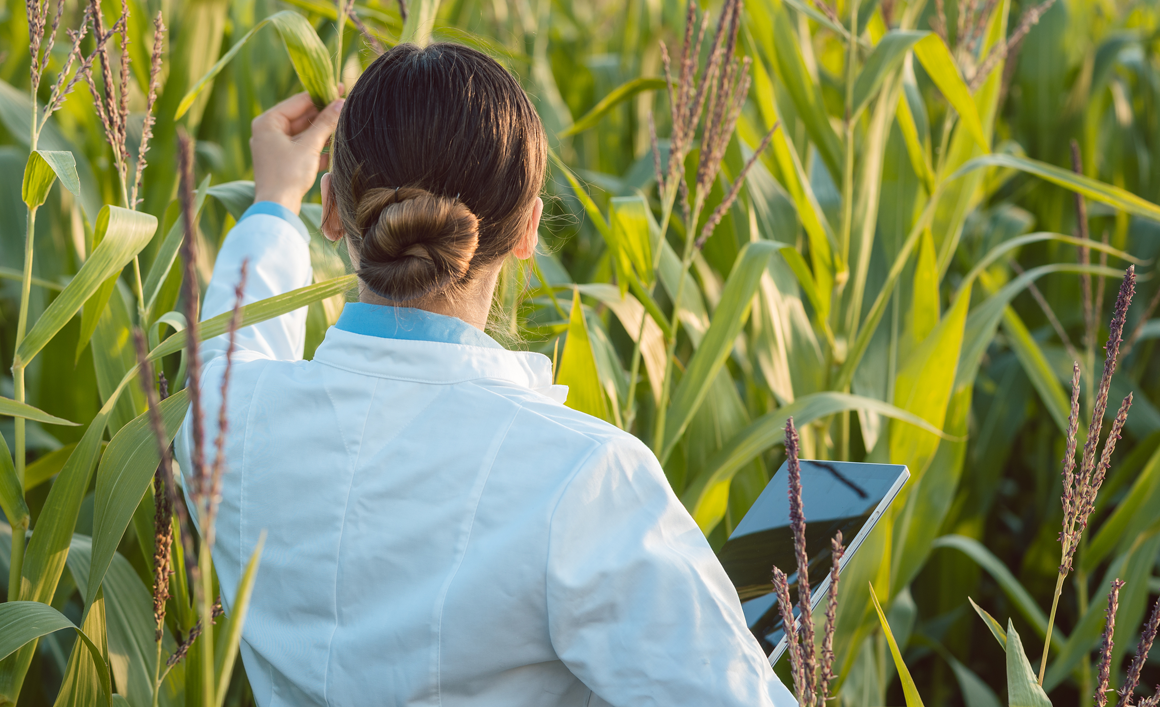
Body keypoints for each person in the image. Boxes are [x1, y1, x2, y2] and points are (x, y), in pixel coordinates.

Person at [177, 42, 798, 707]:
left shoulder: (224, 427)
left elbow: (230, 349)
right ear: (529, 229)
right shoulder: (585, 480)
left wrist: (273, 204)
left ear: (331, 211)